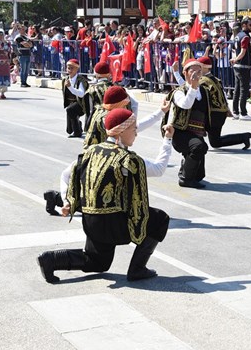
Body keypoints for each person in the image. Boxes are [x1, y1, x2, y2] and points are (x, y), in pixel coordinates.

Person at [36, 108, 173, 283]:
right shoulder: (128, 159)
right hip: (113, 225)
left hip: (91, 222)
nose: (136, 134)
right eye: (133, 130)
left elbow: (66, 175)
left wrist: (68, 201)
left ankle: (51, 260)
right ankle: (137, 269)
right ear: (121, 131)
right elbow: (145, 192)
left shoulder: (89, 152)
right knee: (160, 219)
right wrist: (167, 140)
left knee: (98, 262)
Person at [168, 59, 208, 188]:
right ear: (185, 73)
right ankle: (185, 179)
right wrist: (194, 86)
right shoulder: (179, 92)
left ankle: (187, 169)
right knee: (198, 146)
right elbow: (186, 104)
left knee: (199, 175)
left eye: (199, 71)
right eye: (193, 70)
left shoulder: (204, 91)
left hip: (197, 132)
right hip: (180, 133)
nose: (196, 73)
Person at [231, 19, 251, 119]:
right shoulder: (245, 37)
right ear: (244, 25)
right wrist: (236, 59)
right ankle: (243, 113)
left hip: (237, 67)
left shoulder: (237, 36)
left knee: (237, 90)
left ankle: (235, 112)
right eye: (250, 25)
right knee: (243, 90)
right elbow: (243, 52)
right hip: (243, 66)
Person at [62, 59, 87, 138]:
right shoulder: (65, 80)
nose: (69, 70)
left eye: (72, 68)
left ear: (77, 69)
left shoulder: (81, 80)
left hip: (81, 104)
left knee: (70, 110)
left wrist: (70, 87)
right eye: (68, 68)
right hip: (71, 104)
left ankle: (77, 132)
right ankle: (77, 123)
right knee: (69, 130)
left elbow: (81, 94)